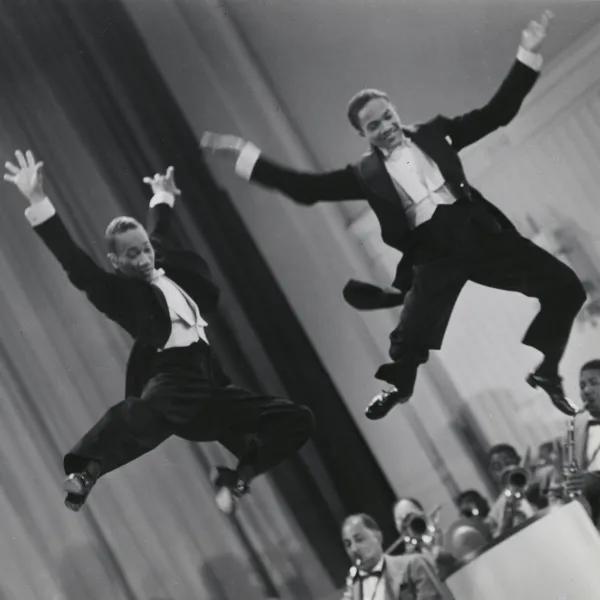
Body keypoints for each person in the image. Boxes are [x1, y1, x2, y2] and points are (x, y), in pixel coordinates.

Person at [201, 11, 583, 421]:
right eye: (372, 125)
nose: (385, 127)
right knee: (410, 337)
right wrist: (245, 155)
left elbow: (498, 113)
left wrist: (528, 51)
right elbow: (305, 189)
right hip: (433, 253)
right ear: (361, 135)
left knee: (567, 288)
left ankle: (547, 371)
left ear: (395, 112)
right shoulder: (363, 176)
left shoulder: (437, 133)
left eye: (387, 116)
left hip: (481, 233)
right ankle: (397, 389)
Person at [3, 150, 314, 514]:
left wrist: (162, 196)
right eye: (133, 255)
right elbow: (76, 263)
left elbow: (158, 229)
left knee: (296, 419)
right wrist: (38, 201)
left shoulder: (158, 258)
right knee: (137, 419)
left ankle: (237, 479)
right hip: (175, 377)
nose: (145, 258)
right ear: (117, 263)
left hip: (210, 383)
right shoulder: (121, 293)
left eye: (145, 250)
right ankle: (86, 475)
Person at [341, 513, 446, 600]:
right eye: (348, 544)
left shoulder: (414, 564)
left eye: (359, 539)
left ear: (378, 537)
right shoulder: (354, 589)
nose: (354, 549)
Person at [549, 359, 600, 530]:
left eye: (594, 383)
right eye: (582, 385)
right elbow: (555, 491)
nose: (586, 391)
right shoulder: (573, 430)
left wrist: (594, 481)